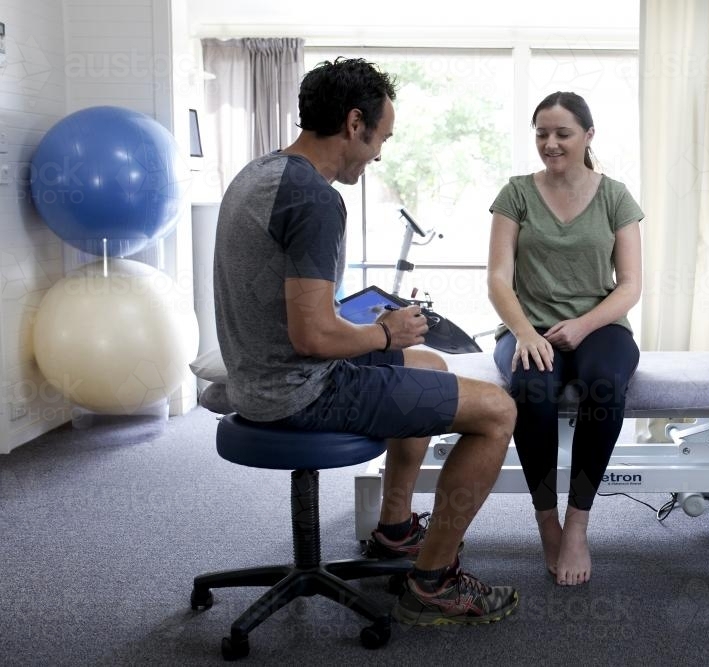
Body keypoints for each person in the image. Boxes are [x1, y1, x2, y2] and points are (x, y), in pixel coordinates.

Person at [213, 57, 518, 625]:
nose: (380, 153)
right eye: (382, 138)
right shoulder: (316, 199)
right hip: (298, 390)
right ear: (356, 124)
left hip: (256, 376)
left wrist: (382, 336)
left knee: (427, 363)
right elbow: (312, 336)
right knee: (498, 411)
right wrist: (383, 330)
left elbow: (295, 308)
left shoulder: (260, 172)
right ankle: (433, 583)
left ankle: (396, 528)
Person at [486, 91, 643, 586]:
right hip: (529, 326)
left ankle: (578, 520)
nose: (550, 144)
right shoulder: (516, 192)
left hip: (600, 326)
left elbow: (632, 285)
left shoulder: (616, 196)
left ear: (588, 136)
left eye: (562, 133)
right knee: (532, 387)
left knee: (603, 383)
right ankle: (546, 519)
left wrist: (584, 325)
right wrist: (525, 332)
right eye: (541, 134)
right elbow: (497, 277)